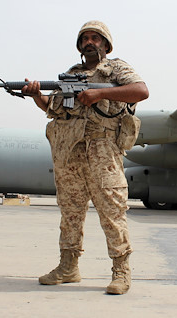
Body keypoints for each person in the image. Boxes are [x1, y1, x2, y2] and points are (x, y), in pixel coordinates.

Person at [21, 21, 149, 295]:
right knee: (70, 213)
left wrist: (100, 93)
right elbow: (55, 110)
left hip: (102, 151)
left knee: (112, 213)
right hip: (70, 154)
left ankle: (121, 272)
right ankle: (68, 267)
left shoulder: (116, 68)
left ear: (105, 43)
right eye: (85, 39)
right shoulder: (69, 75)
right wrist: (36, 95)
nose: (89, 42)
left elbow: (141, 91)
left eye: (95, 38)